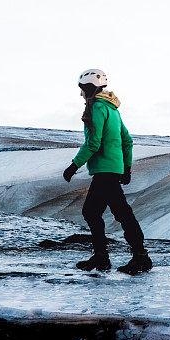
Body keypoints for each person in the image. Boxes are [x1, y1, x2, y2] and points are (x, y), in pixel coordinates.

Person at [62, 69, 152, 275]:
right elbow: (127, 141)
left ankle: (136, 258)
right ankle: (107, 257)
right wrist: (126, 168)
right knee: (110, 213)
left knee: (105, 213)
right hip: (112, 170)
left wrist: (73, 166)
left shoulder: (96, 108)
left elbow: (93, 143)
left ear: (89, 88)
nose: (80, 94)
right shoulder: (113, 110)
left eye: (82, 89)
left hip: (104, 171)